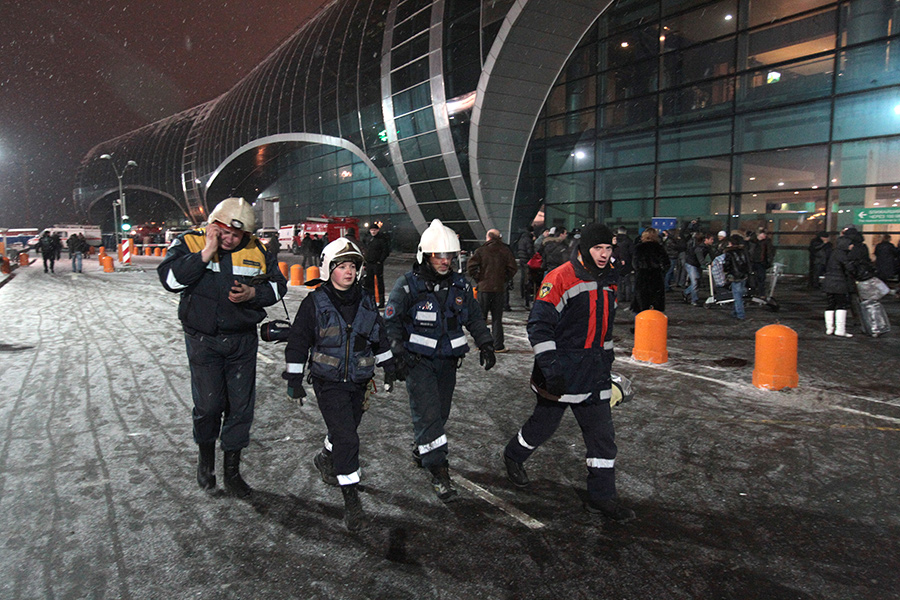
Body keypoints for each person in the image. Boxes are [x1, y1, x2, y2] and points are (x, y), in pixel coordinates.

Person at [501, 223, 635, 523]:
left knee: (602, 438)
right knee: (543, 426)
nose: (604, 254)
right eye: (598, 248)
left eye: (608, 248)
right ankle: (513, 455)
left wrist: (607, 362)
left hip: (595, 373)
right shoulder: (560, 277)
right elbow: (539, 325)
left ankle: (602, 498)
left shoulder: (608, 280)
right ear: (585, 248)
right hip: (561, 372)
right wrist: (550, 367)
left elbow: (602, 330)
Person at [157, 197, 288, 497]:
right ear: (213, 226)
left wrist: (254, 293)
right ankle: (206, 463)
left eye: (236, 235)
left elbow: (279, 287)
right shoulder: (189, 242)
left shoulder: (258, 250)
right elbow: (170, 280)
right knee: (209, 406)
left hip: (242, 341)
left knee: (240, 410)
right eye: (224, 232)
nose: (230, 239)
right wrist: (205, 254)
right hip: (204, 341)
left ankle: (232, 472)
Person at [282, 238, 394, 531]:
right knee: (348, 438)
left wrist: (389, 366)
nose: (349, 272)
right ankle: (351, 500)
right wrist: (293, 378)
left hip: (358, 380)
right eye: (342, 266)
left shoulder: (366, 300)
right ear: (328, 269)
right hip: (328, 382)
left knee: (345, 430)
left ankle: (325, 457)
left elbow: (379, 336)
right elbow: (297, 342)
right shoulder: (314, 302)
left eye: (352, 266)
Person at [384, 219, 495, 502]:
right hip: (417, 362)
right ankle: (438, 470)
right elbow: (392, 321)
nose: (444, 261)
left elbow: (473, 317)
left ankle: (423, 447)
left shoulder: (460, 285)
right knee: (429, 414)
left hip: (448, 362)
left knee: (440, 413)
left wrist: (485, 343)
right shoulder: (408, 285)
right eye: (438, 255)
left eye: (449, 256)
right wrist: (396, 353)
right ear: (425, 255)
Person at [467, 228, 518, 353]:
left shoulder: (481, 250)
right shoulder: (505, 251)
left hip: (484, 288)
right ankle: (498, 345)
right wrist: (504, 278)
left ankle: (481, 343)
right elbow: (513, 268)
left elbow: (471, 266)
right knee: (496, 318)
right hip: (499, 289)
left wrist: (480, 277)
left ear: (488, 237)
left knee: (481, 317)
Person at [822, 235, 857, 337]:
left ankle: (829, 328)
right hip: (839, 282)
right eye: (850, 244)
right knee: (841, 304)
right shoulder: (842, 254)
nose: (852, 246)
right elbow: (849, 268)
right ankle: (840, 329)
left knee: (830, 304)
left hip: (829, 282)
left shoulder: (833, 253)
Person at [630, 227, 669, 313]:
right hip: (656, 276)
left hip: (642, 276)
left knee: (641, 302)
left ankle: (641, 324)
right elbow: (666, 264)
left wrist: (639, 270)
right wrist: (661, 272)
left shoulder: (639, 248)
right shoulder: (659, 248)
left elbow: (634, 263)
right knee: (656, 301)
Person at [722, 234, 752, 320]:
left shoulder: (729, 253)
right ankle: (735, 312)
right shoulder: (744, 251)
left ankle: (740, 314)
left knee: (737, 296)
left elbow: (727, 265)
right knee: (739, 294)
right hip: (744, 275)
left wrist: (726, 272)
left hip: (735, 276)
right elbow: (748, 263)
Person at [362, 222, 391, 307]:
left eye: (374, 230)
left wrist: (380, 261)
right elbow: (365, 251)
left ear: (378, 230)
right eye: (372, 230)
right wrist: (365, 262)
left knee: (379, 283)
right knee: (369, 283)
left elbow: (385, 251)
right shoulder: (367, 239)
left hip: (377, 264)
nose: (373, 232)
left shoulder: (381, 239)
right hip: (369, 263)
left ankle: (381, 302)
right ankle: (370, 300)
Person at [748, 228, 775, 297]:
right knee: (753, 278)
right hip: (753, 262)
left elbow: (770, 253)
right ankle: (754, 291)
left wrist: (768, 261)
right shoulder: (752, 241)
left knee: (761, 278)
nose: (764, 235)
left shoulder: (766, 242)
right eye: (763, 234)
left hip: (761, 262)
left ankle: (760, 293)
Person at [613, 226, 634, 306]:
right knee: (627, 281)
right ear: (625, 232)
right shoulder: (629, 241)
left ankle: (619, 297)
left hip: (616, 263)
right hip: (627, 263)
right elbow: (632, 253)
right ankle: (628, 297)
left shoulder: (614, 240)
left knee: (618, 281)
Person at [515, 227, 535, 309]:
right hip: (526, 260)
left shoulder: (522, 238)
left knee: (523, 277)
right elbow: (529, 250)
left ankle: (523, 292)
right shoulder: (528, 239)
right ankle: (525, 294)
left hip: (522, 258)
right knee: (526, 278)